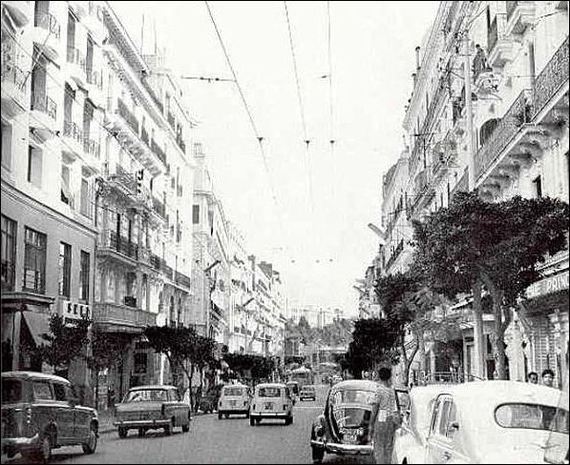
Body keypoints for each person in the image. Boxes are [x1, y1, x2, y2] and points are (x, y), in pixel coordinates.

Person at [373, 367, 401, 464]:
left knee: (379, 447)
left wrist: (370, 424)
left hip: (381, 420)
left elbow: (375, 408)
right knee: (388, 446)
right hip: (391, 420)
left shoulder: (379, 390)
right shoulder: (392, 390)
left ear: (379, 376)